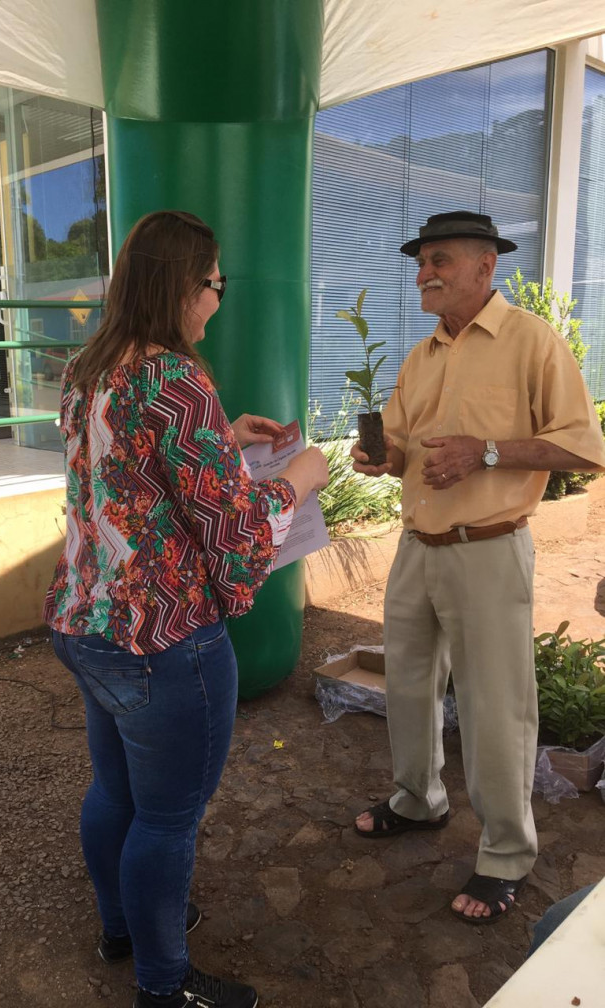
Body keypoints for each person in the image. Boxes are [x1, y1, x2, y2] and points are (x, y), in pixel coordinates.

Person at [44, 209, 328, 1008]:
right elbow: (238, 538)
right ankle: (163, 988)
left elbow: (128, 474)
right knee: (168, 821)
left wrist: (225, 439)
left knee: (116, 795)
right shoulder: (173, 379)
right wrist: (303, 473)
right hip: (163, 638)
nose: (217, 300)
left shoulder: (87, 371)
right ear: (182, 285)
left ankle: (122, 927)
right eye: (214, 284)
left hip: (89, 624)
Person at [350, 210, 605, 924]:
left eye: (439, 261)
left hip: (489, 549)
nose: (424, 273)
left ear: (485, 267)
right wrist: (382, 458)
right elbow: (401, 445)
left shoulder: (532, 342)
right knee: (406, 688)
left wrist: (487, 451)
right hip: (416, 547)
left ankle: (504, 854)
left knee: (497, 710)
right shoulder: (422, 353)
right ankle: (417, 800)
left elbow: (584, 446)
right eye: (421, 262)